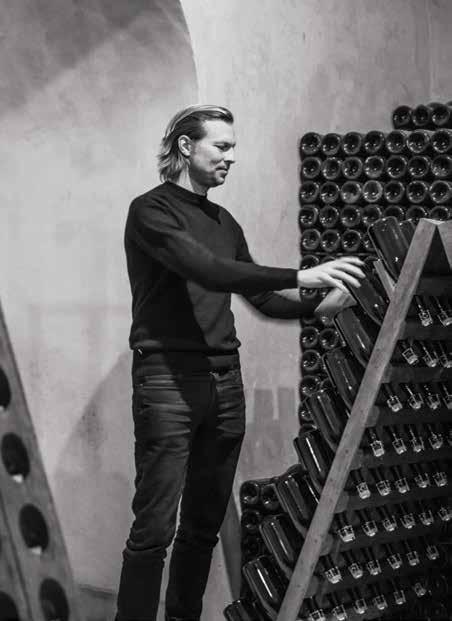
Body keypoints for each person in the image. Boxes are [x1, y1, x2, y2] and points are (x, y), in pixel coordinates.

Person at [115, 104, 364, 621]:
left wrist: (318, 306)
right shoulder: (150, 211)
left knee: (202, 526)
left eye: (234, 148)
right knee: (154, 530)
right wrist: (300, 275)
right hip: (167, 381)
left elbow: (262, 298)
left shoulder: (224, 221)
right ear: (186, 146)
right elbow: (207, 270)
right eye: (222, 146)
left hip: (225, 383)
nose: (232, 157)